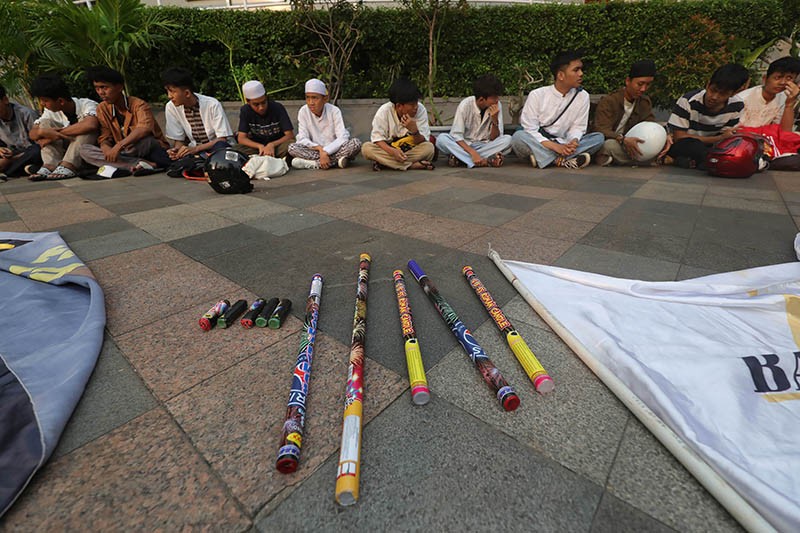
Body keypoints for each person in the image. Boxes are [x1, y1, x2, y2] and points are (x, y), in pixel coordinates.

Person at [511, 51, 604, 170]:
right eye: (576, 70)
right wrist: (554, 147)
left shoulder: (583, 96)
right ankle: (562, 160)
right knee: (518, 137)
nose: (581, 74)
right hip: (541, 142)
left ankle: (545, 158)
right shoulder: (537, 95)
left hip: (564, 142)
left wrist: (573, 141)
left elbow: (578, 127)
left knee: (598, 138)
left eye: (581, 69)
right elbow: (530, 129)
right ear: (560, 75)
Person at [79, 66, 170, 178]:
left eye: (104, 87)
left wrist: (119, 146)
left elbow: (144, 129)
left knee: (145, 141)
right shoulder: (102, 108)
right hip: (123, 152)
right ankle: (139, 164)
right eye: (97, 88)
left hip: (141, 147)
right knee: (84, 150)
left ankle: (121, 165)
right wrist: (106, 149)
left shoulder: (138, 104)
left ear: (119, 87)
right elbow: (105, 136)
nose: (101, 92)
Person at [666, 63, 749, 170]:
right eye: (713, 90)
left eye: (722, 94)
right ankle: (707, 161)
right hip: (686, 144)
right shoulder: (688, 101)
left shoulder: (736, 105)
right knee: (695, 147)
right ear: (708, 84)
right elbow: (679, 137)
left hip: (712, 146)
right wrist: (717, 138)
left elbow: (725, 135)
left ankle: (697, 161)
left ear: (733, 93)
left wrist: (723, 138)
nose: (714, 97)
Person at [592, 60, 671, 166]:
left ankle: (615, 159)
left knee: (658, 146)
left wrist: (664, 135)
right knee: (608, 146)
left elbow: (650, 125)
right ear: (628, 81)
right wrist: (622, 139)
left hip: (633, 144)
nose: (643, 89)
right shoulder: (610, 101)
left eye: (648, 85)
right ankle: (650, 161)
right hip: (614, 141)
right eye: (640, 84)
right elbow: (600, 129)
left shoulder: (644, 102)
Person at [26, 74, 99, 180]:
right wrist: (42, 132)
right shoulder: (50, 111)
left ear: (61, 101)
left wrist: (55, 135)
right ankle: (50, 164)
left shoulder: (87, 105)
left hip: (88, 150)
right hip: (65, 149)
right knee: (44, 124)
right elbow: (33, 133)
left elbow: (91, 124)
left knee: (85, 126)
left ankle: (69, 164)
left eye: (45, 100)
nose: (42, 104)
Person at [435, 74, 511, 168]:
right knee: (441, 139)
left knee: (508, 140)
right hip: (464, 145)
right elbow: (456, 135)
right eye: (494, 97)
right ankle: (484, 161)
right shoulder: (465, 105)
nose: (497, 100)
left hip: (484, 145)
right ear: (481, 99)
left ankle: (461, 159)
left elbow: (494, 138)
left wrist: (495, 121)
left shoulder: (497, 105)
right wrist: (472, 153)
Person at [361, 77, 435, 171]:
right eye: (412, 104)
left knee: (429, 148)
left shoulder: (421, 110)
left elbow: (423, 140)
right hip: (389, 149)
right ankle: (410, 165)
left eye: (416, 103)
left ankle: (385, 163)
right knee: (366, 148)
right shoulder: (384, 111)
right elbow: (377, 139)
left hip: (410, 149)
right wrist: (392, 152)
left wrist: (415, 131)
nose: (416, 107)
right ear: (399, 106)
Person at [162, 67, 233, 163]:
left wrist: (196, 149)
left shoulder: (212, 104)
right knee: (166, 159)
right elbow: (179, 140)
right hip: (194, 151)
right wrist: (176, 151)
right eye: (168, 91)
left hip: (215, 147)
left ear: (187, 93)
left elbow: (222, 139)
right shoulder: (171, 107)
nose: (169, 96)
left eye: (173, 91)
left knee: (221, 151)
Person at [288, 78, 362, 170]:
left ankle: (315, 164)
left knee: (356, 143)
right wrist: (320, 149)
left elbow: (342, 137)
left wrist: (326, 152)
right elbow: (302, 138)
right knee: (292, 148)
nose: (311, 102)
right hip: (315, 150)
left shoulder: (334, 111)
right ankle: (336, 161)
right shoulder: (303, 111)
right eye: (308, 97)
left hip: (334, 149)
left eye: (314, 98)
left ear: (325, 99)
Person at [233, 80, 295, 158]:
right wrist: (260, 146)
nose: (261, 107)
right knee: (236, 149)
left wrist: (271, 145)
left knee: (292, 145)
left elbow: (290, 135)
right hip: (257, 147)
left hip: (277, 146)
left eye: (263, 102)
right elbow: (241, 138)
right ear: (248, 102)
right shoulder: (245, 110)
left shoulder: (277, 108)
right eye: (256, 104)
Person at [737, 56, 800, 131]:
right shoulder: (743, 98)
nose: (783, 83)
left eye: (789, 78)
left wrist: (789, 105)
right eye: (778, 77)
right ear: (765, 78)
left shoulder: (784, 98)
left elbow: (785, 132)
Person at [0, 84, 40, 179]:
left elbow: (41, 144)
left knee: (37, 151)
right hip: (12, 154)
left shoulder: (26, 114)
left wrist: (10, 160)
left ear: (5, 100)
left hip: (29, 153)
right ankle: (27, 169)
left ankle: (8, 171)